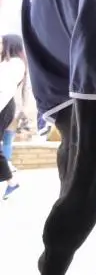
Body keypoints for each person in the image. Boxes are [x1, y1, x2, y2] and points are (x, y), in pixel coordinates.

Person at [1, 33, 34, 200]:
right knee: (5, 142)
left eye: (2, 43)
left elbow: (5, 90)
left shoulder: (15, 64)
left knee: (7, 141)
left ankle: (11, 178)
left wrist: (24, 111)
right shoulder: (11, 63)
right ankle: (11, 179)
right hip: (8, 107)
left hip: (6, 107)